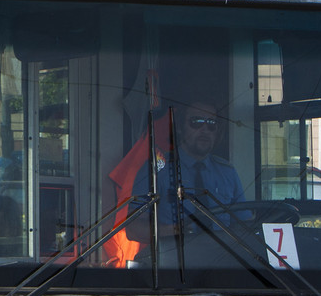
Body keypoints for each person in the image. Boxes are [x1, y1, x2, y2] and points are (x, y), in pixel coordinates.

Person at [102, 101, 245, 267]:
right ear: (180, 128)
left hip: (222, 266)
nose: (205, 130)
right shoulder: (157, 170)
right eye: (196, 122)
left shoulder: (228, 172)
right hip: (175, 267)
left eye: (211, 124)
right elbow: (133, 229)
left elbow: (245, 225)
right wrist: (176, 231)